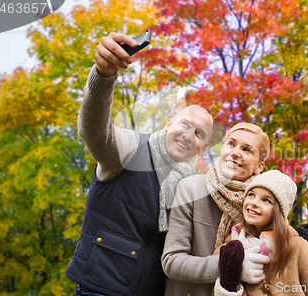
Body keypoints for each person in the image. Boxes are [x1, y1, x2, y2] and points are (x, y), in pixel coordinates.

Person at [65, 32, 214, 296]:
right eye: (185, 124)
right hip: (99, 290)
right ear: (169, 124)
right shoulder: (132, 148)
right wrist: (102, 74)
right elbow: (94, 131)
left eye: (199, 134)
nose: (189, 135)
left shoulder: (191, 187)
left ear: (202, 146)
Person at [161, 123, 272, 296]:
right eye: (231, 143)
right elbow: (171, 261)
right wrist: (231, 265)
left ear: (259, 166)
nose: (235, 152)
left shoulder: (264, 206)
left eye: (247, 150)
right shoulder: (191, 189)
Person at [213, 170, 308, 296]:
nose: (253, 203)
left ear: (278, 212)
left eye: (266, 200)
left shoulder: (297, 246)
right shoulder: (227, 250)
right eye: (251, 195)